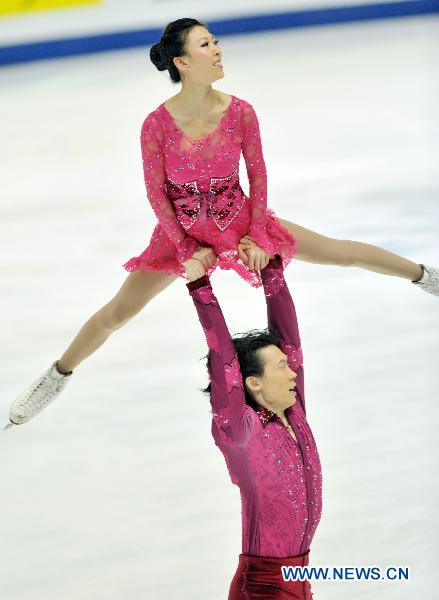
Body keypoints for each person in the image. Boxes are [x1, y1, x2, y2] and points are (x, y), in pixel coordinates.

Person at [4, 17, 437, 430]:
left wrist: (259, 234)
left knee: (341, 253)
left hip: (241, 221)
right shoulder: (156, 125)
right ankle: (57, 375)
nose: (217, 49)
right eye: (206, 44)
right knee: (119, 311)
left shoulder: (241, 112)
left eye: (215, 41)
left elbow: (258, 176)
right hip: (182, 234)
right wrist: (186, 248)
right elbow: (157, 194)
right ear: (182, 62)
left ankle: (426, 276)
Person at [187, 254, 318, 599]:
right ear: (253, 383)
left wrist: (270, 265)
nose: (293, 373)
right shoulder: (241, 432)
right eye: (280, 367)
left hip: (300, 577)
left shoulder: (294, 413)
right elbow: (224, 362)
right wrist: (201, 288)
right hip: (261, 588)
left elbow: (290, 337)